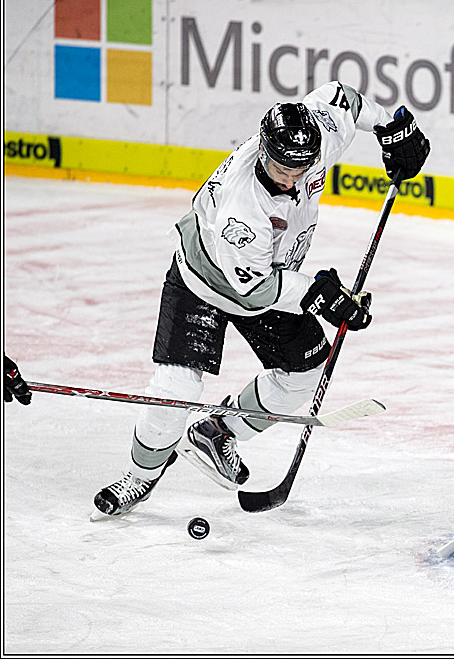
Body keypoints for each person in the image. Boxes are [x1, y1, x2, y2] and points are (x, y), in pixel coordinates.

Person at [93, 82, 429, 517]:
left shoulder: (315, 136)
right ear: (264, 151)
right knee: (175, 389)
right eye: (281, 168)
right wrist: (321, 295)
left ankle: (219, 430)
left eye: (300, 169)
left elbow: (344, 97)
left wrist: (394, 127)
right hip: (205, 282)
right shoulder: (242, 212)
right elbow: (254, 291)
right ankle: (139, 477)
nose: (291, 177)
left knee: (305, 374)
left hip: (267, 276)